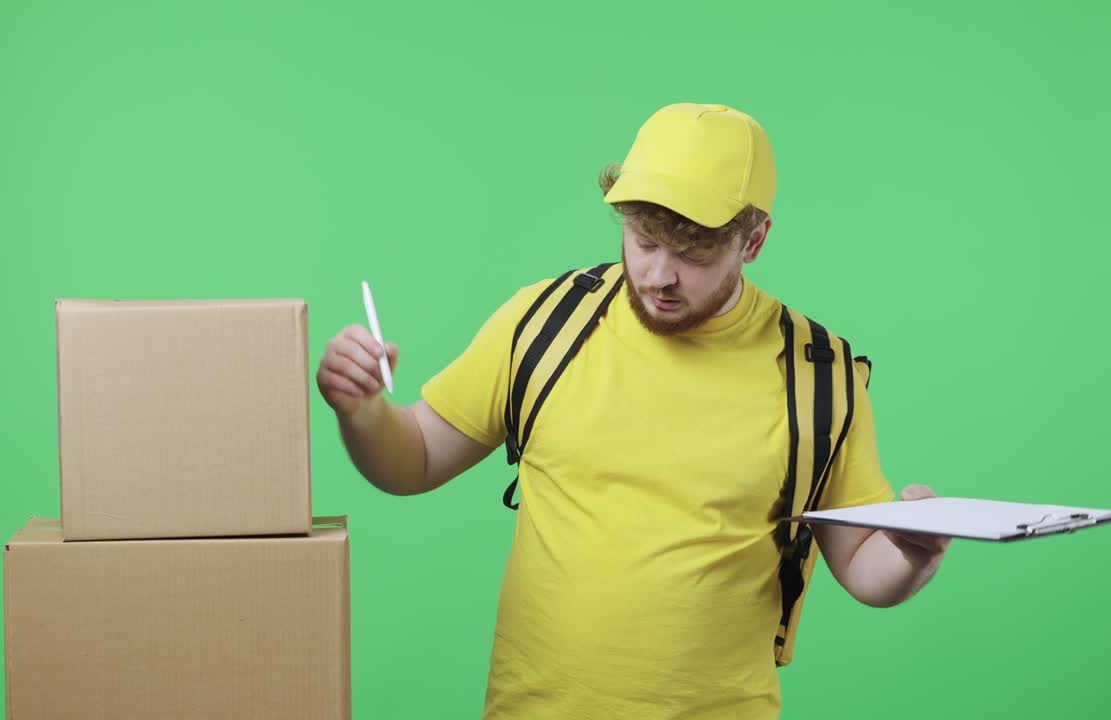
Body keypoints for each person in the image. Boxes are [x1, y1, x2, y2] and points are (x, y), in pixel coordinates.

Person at [316, 102, 951, 719]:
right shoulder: (547, 323)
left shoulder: (820, 375)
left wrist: (911, 554)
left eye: (694, 253)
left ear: (753, 239)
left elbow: (865, 565)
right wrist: (362, 410)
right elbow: (415, 460)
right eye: (643, 240)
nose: (658, 276)